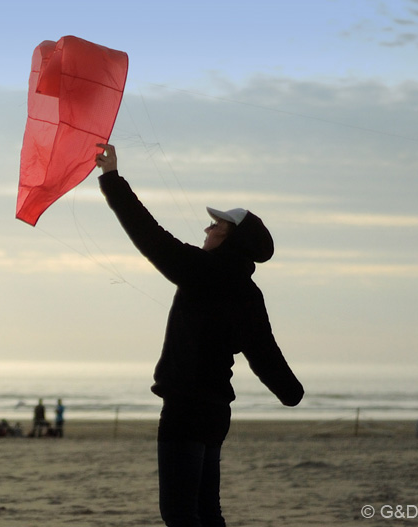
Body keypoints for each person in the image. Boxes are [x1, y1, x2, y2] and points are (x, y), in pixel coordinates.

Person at [95, 144, 303, 527]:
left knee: (179, 514)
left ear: (230, 239)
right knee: (206, 514)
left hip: (186, 410)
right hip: (214, 413)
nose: (207, 228)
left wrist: (111, 180)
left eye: (216, 226)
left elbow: (149, 235)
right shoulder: (247, 291)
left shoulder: (204, 272)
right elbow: (264, 352)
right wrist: (291, 393)